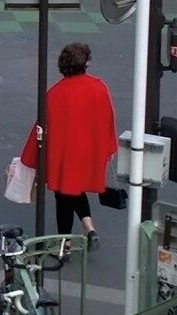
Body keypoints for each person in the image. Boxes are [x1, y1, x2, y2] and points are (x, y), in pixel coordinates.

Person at [16, 42, 120, 241]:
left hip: (65, 153)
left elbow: (41, 128)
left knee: (64, 195)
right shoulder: (99, 87)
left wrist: (29, 158)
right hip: (90, 151)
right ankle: (88, 227)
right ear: (85, 64)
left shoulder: (55, 93)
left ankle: (66, 243)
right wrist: (109, 146)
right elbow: (108, 119)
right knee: (75, 189)